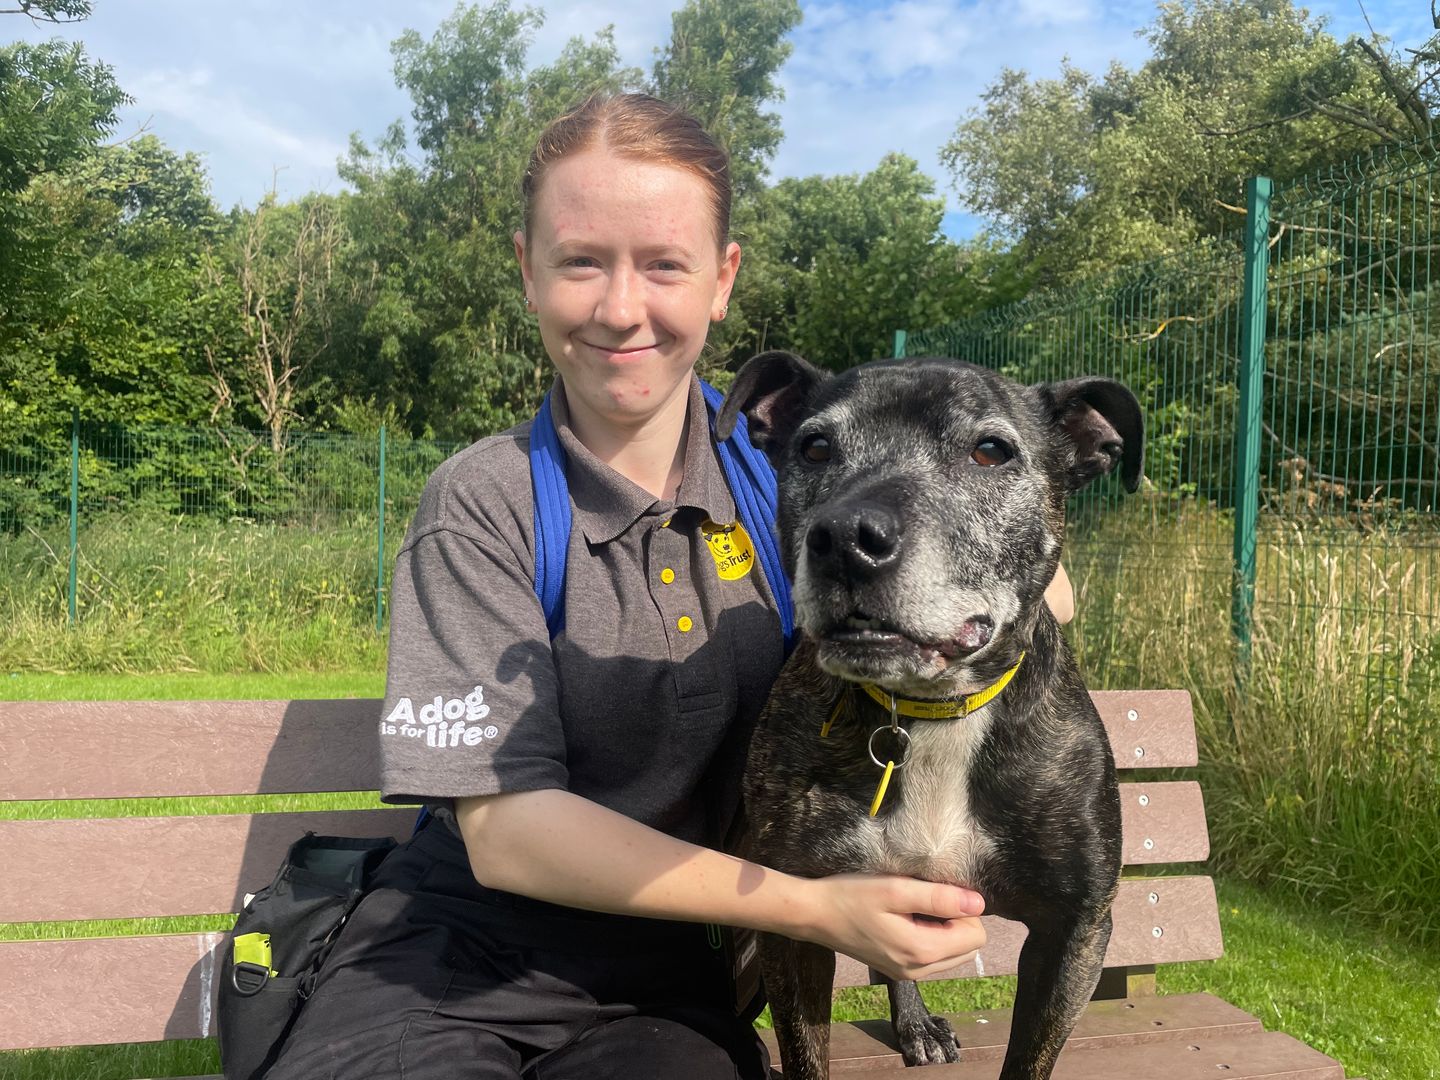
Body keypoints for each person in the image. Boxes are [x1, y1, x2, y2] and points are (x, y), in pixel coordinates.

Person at [265, 93, 1070, 1080]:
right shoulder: (485, 501)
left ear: (721, 280)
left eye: (662, 264)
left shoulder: (790, 468)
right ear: (528, 271)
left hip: (676, 974)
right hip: (460, 948)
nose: (619, 307)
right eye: (580, 261)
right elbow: (508, 836)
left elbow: (1030, 592)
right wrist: (811, 909)